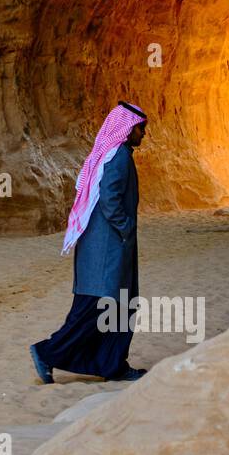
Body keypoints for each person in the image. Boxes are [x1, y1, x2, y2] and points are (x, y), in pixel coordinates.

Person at [30, 101, 148, 384]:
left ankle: (114, 365)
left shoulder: (116, 153)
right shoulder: (119, 156)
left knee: (118, 306)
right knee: (96, 308)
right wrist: (125, 227)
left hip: (108, 246)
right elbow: (110, 197)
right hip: (107, 249)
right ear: (129, 129)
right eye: (141, 129)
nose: (144, 134)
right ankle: (47, 352)